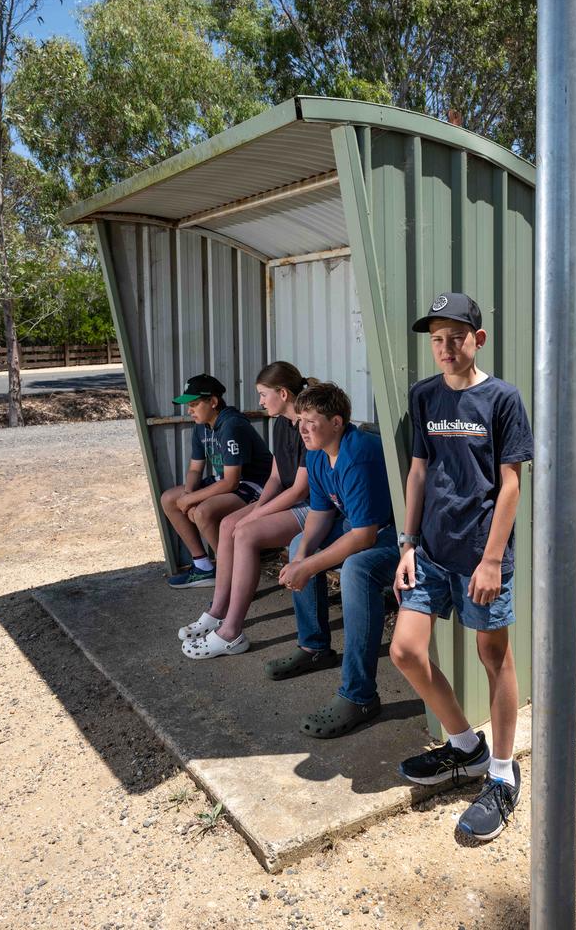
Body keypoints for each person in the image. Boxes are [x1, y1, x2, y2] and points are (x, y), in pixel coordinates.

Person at [390, 292, 533, 841]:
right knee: (405, 650)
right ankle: (465, 747)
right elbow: (419, 472)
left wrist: (492, 559)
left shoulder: (501, 399)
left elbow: (511, 485)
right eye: (436, 339)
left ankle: (500, 775)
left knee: (492, 656)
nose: (446, 348)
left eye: (456, 337)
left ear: (478, 339)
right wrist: (407, 543)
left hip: (481, 557)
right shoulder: (424, 396)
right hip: (429, 552)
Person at [265, 382, 399, 738]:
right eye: (300, 420)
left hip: (398, 533)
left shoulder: (358, 455)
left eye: (311, 421)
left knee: (357, 569)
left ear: (337, 422)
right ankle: (314, 647)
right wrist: (303, 555)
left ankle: (360, 696)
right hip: (361, 526)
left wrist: (308, 568)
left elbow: (365, 537)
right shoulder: (317, 454)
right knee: (298, 544)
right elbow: (321, 515)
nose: (303, 429)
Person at [179, 362, 314, 659]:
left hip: (312, 506)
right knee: (228, 524)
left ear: (283, 393)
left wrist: (255, 515)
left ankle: (231, 633)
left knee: (246, 533)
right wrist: (258, 507)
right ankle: (217, 612)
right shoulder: (280, 424)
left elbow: (299, 490)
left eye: (264, 395)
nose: (261, 402)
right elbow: (276, 478)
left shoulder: (307, 424)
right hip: (290, 499)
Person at [160, 374, 272, 588]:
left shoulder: (232, 425)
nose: (189, 410)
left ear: (213, 401)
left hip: (256, 483)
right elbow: (195, 468)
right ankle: (203, 566)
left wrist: (193, 499)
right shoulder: (201, 426)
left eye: (194, 404)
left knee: (202, 512)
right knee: (169, 499)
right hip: (227, 481)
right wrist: (187, 495)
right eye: (188, 405)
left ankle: (232, 576)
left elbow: (231, 482)